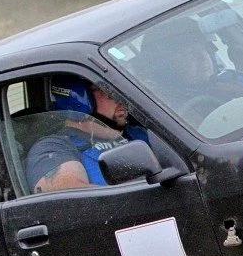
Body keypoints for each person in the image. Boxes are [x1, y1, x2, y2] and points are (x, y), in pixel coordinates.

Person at [25, 76, 155, 193]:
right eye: (108, 92)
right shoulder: (53, 148)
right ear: (79, 99)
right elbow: (74, 203)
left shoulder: (140, 133)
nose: (120, 99)